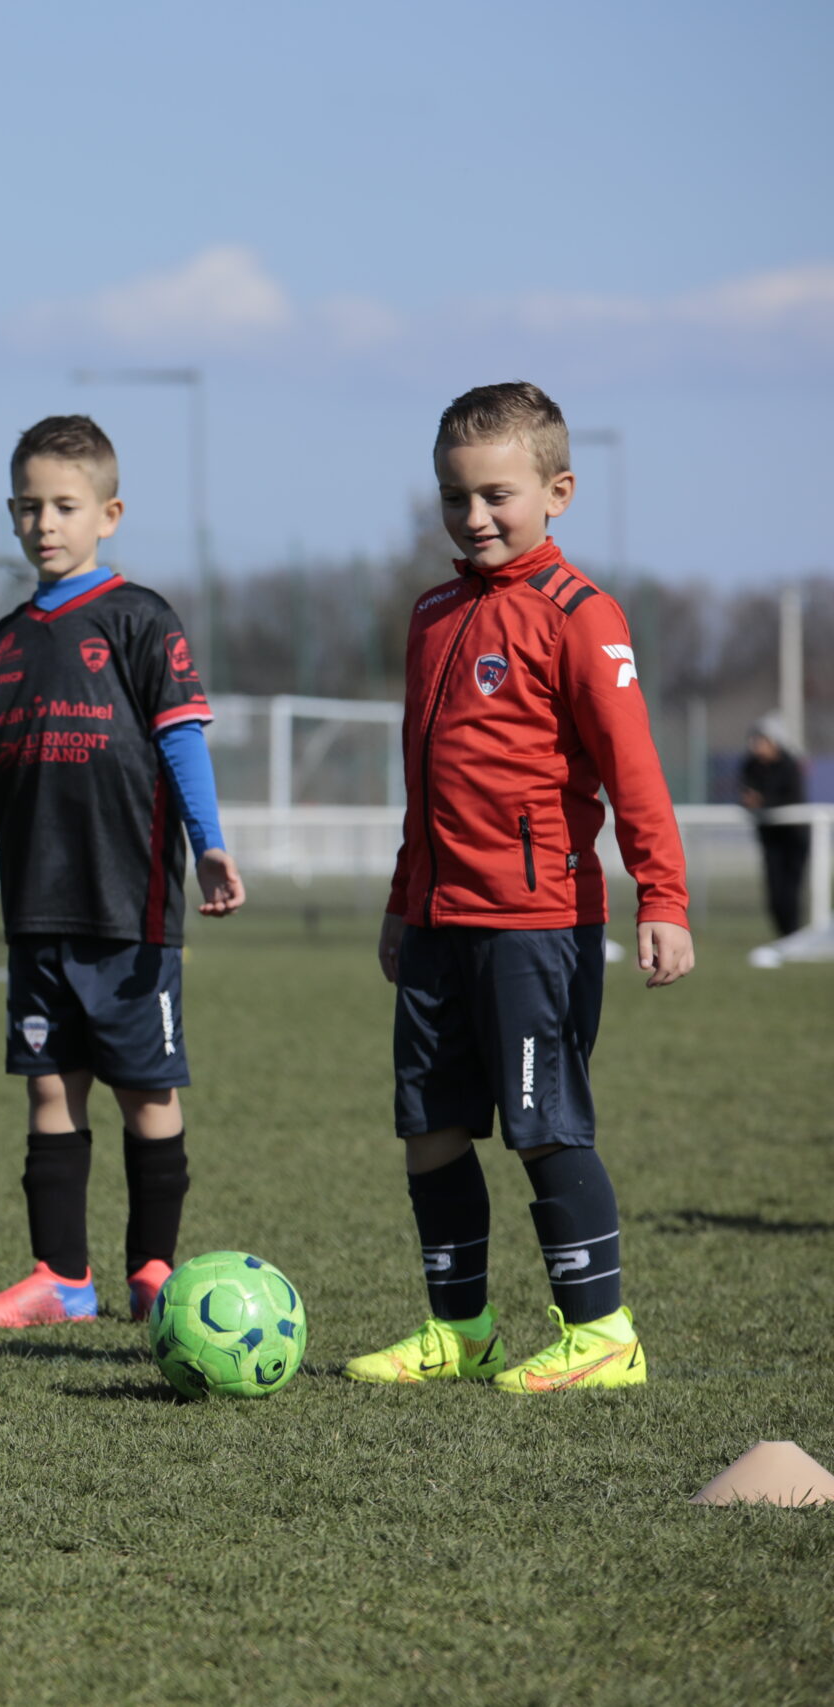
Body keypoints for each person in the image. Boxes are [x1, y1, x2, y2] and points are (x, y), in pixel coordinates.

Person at [349, 381, 693, 1394]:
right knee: (430, 1124)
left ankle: (602, 1335)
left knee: (545, 1124)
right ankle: (459, 1328)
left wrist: (661, 899)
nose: (474, 517)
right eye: (454, 497)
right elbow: (425, 777)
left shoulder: (582, 616)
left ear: (558, 491)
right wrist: (403, 900)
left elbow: (635, 773)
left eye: (496, 494)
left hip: (534, 925)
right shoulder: (433, 612)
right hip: (439, 924)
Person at [0, 415, 245, 1329]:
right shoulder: (0, 645)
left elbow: (182, 740)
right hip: (38, 905)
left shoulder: (139, 619)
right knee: (51, 1087)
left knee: (145, 1088)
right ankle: (62, 1278)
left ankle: (152, 1269)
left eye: (66, 506)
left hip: (132, 904)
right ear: (10, 513)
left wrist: (210, 842)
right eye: (30, 506)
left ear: (108, 513)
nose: (47, 523)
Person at [739, 714, 808, 941]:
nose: (756, 745)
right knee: (774, 892)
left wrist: (763, 801)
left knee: (790, 892)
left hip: (794, 838)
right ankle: (784, 937)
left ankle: (793, 936)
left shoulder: (789, 765)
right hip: (770, 838)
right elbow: (746, 794)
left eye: (762, 740)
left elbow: (792, 798)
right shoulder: (750, 765)